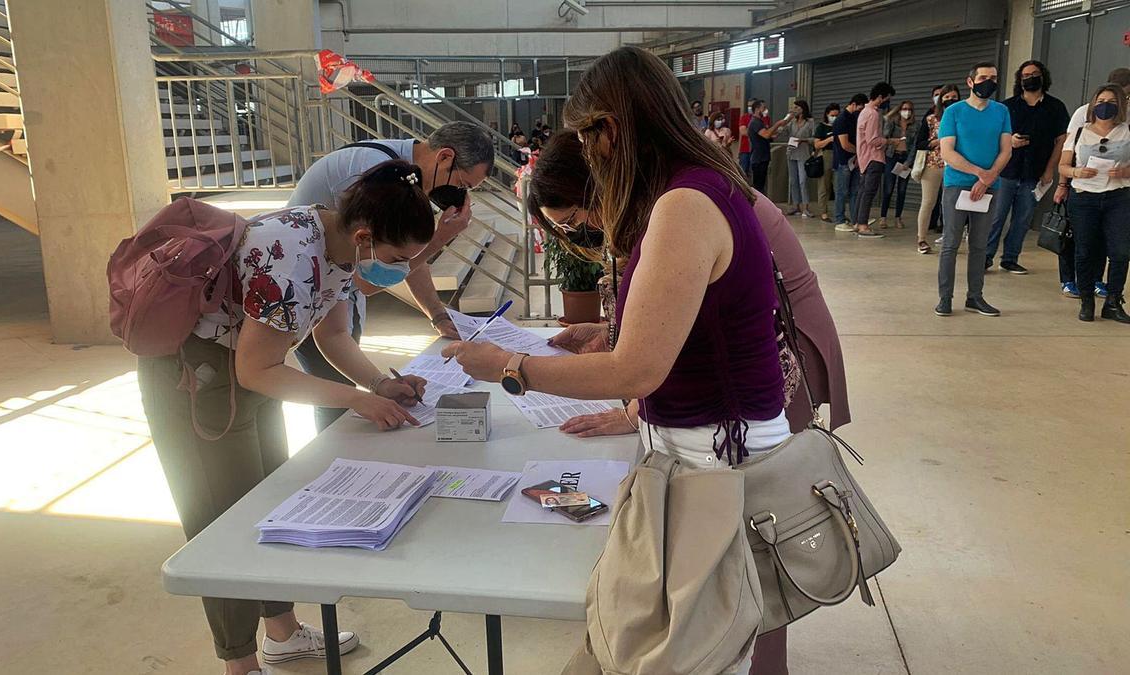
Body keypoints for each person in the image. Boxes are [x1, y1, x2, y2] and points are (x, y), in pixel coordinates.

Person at [445, 46, 794, 675]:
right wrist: (609, 328)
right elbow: (693, 320)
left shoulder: (685, 204)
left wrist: (509, 367)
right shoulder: (697, 189)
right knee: (683, 637)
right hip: (702, 442)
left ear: (610, 130)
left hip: (714, 452)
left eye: (586, 138)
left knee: (695, 649)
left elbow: (636, 373)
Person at [140, 161, 435, 675]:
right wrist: (356, 400)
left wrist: (381, 384)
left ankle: (282, 634)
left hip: (247, 369)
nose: (402, 271)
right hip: (197, 378)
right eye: (397, 258)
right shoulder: (293, 253)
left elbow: (333, 336)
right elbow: (256, 369)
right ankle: (240, 663)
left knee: (268, 504)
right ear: (366, 236)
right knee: (221, 523)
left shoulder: (341, 247)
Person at [524, 129, 852, 439]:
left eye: (571, 222)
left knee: (764, 476)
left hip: (779, 343)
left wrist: (511, 369)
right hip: (761, 336)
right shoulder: (667, 192)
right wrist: (610, 333)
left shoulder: (678, 207)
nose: (581, 231)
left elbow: (669, 337)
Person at [287, 122, 493, 430]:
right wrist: (439, 239)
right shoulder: (374, 177)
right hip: (296, 300)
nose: (459, 197)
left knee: (346, 393)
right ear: (446, 158)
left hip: (328, 299)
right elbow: (368, 281)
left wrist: (437, 315)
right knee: (333, 403)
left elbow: (399, 257)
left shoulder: (403, 175)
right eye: (462, 185)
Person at [935, 62, 1012, 318]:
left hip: (990, 187)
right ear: (970, 82)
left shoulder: (1001, 111)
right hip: (958, 184)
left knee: (980, 245)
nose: (988, 82)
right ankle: (945, 298)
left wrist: (988, 179)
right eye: (982, 77)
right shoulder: (954, 112)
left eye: (993, 77)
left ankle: (975, 297)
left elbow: (1006, 149)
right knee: (951, 243)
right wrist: (980, 173)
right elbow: (947, 151)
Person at [983, 60, 1070, 275]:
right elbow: (993, 135)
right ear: (1019, 80)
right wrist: (1010, 141)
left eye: (1034, 74)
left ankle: (1010, 258)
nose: (1030, 78)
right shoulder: (1007, 106)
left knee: (1022, 219)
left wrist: (1050, 169)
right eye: (1025, 75)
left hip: (1035, 173)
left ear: (1043, 77)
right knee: (996, 217)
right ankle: (985, 257)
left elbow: (1061, 140)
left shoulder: (1055, 107)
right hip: (1006, 171)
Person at [1057, 84, 1130, 324]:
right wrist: (1076, 172)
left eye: (1110, 101)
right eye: (1100, 101)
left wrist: (1124, 171)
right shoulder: (1079, 132)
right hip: (1084, 196)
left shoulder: (1127, 131)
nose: (1104, 105)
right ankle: (1086, 300)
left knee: (1120, 251)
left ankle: (1113, 300)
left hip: (1118, 196)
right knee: (1085, 250)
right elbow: (1063, 165)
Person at [914, 86, 960, 255]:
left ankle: (950, 239)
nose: (950, 99)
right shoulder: (931, 119)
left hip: (955, 165)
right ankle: (921, 239)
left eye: (954, 96)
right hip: (933, 164)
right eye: (947, 96)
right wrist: (936, 142)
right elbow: (919, 143)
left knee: (951, 204)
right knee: (928, 202)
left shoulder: (962, 118)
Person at [851, 82, 896, 238]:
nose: (887, 102)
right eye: (887, 99)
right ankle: (863, 225)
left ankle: (857, 222)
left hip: (865, 158)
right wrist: (890, 141)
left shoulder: (864, 111)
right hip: (873, 158)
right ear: (879, 97)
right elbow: (872, 140)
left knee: (863, 191)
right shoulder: (873, 114)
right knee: (869, 192)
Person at [878, 100, 918, 229]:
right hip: (892, 157)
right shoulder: (892, 123)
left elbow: (914, 146)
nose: (907, 112)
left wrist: (908, 162)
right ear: (899, 110)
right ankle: (883, 217)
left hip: (905, 158)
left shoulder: (915, 126)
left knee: (902, 190)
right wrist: (891, 140)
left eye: (909, 109)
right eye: (904, 109)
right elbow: (884, 137)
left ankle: (898, 218)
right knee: (888, 188)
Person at [832, 94, 868, 231]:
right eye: (860, 108)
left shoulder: (854, 118)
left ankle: (855, 219)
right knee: (842, 191)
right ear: (853, 104)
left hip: (854, 161)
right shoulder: (842, 120)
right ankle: (840, 219)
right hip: (843, 161)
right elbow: (845, 144)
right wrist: (859, 152)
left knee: (855, 191)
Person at [747, 99, 793, 192]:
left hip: (763, 157)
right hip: (758, 158)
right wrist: (777, 124)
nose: (765, 110)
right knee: (758, 186)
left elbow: (770, 135)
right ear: (757, 109)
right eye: (763, 108)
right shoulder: (755, 122)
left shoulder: (761, 122)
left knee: (762, 183)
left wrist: (782, 126)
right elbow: (766, 134)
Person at [782, 99, 817, 217]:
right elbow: (782, 131)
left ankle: (805, 207)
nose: (794, 110)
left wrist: (804, 140)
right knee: (793, 180)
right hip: (791, 153)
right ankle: (796, 205)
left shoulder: (810, 122)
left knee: (802, 180)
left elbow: (814, 138)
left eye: (796, 108)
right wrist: (786, 119)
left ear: (802, 109)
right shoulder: (792, 122)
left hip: (804, 153)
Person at [813, 104, 840, 222]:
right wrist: (829, 139)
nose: (834, 117)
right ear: (827, 115)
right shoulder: (821, 127)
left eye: (836, 115)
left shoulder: (840, 126)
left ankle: (839, 213)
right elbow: (817, 144)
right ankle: (823, 212)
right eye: (832, 115)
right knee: (824, 186)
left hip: (839, 156)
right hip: (826, 155)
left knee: (838, 186)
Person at [738, 101, 757, 176]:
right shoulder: (744, 117)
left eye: (751, 105)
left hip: (757, 151)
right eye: (748, 105)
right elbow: (743, 131)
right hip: (745, 150)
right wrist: (758, 133)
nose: (749, 107)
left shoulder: (764, 118)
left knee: (754, 173)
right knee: (743, 172)